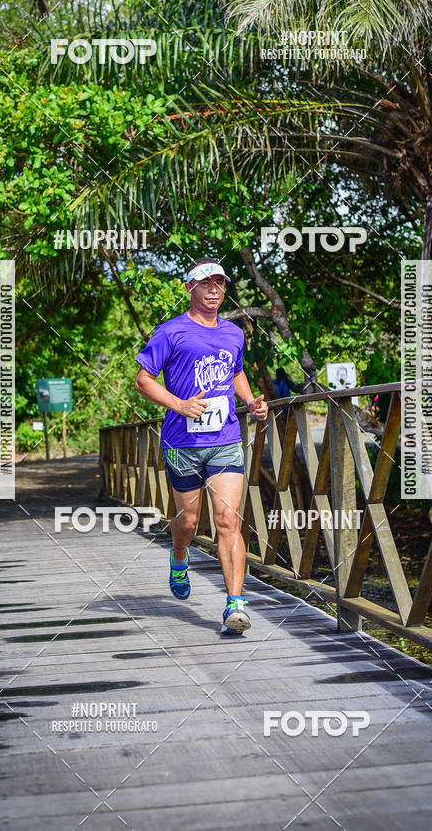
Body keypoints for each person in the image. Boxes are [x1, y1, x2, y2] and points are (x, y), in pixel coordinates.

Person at [134, 257, 269, 634]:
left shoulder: (233, 333)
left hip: (225, 439)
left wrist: (249, 403)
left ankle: (235, 605)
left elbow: (236, 371)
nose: (214, 290)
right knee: (188, 522)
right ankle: (180, 556)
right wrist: (179, 404)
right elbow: (143, 380)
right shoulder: (170, 332)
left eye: (219, 284)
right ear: (190, 288)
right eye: (206, 283)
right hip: (182, 441)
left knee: (228, 520)